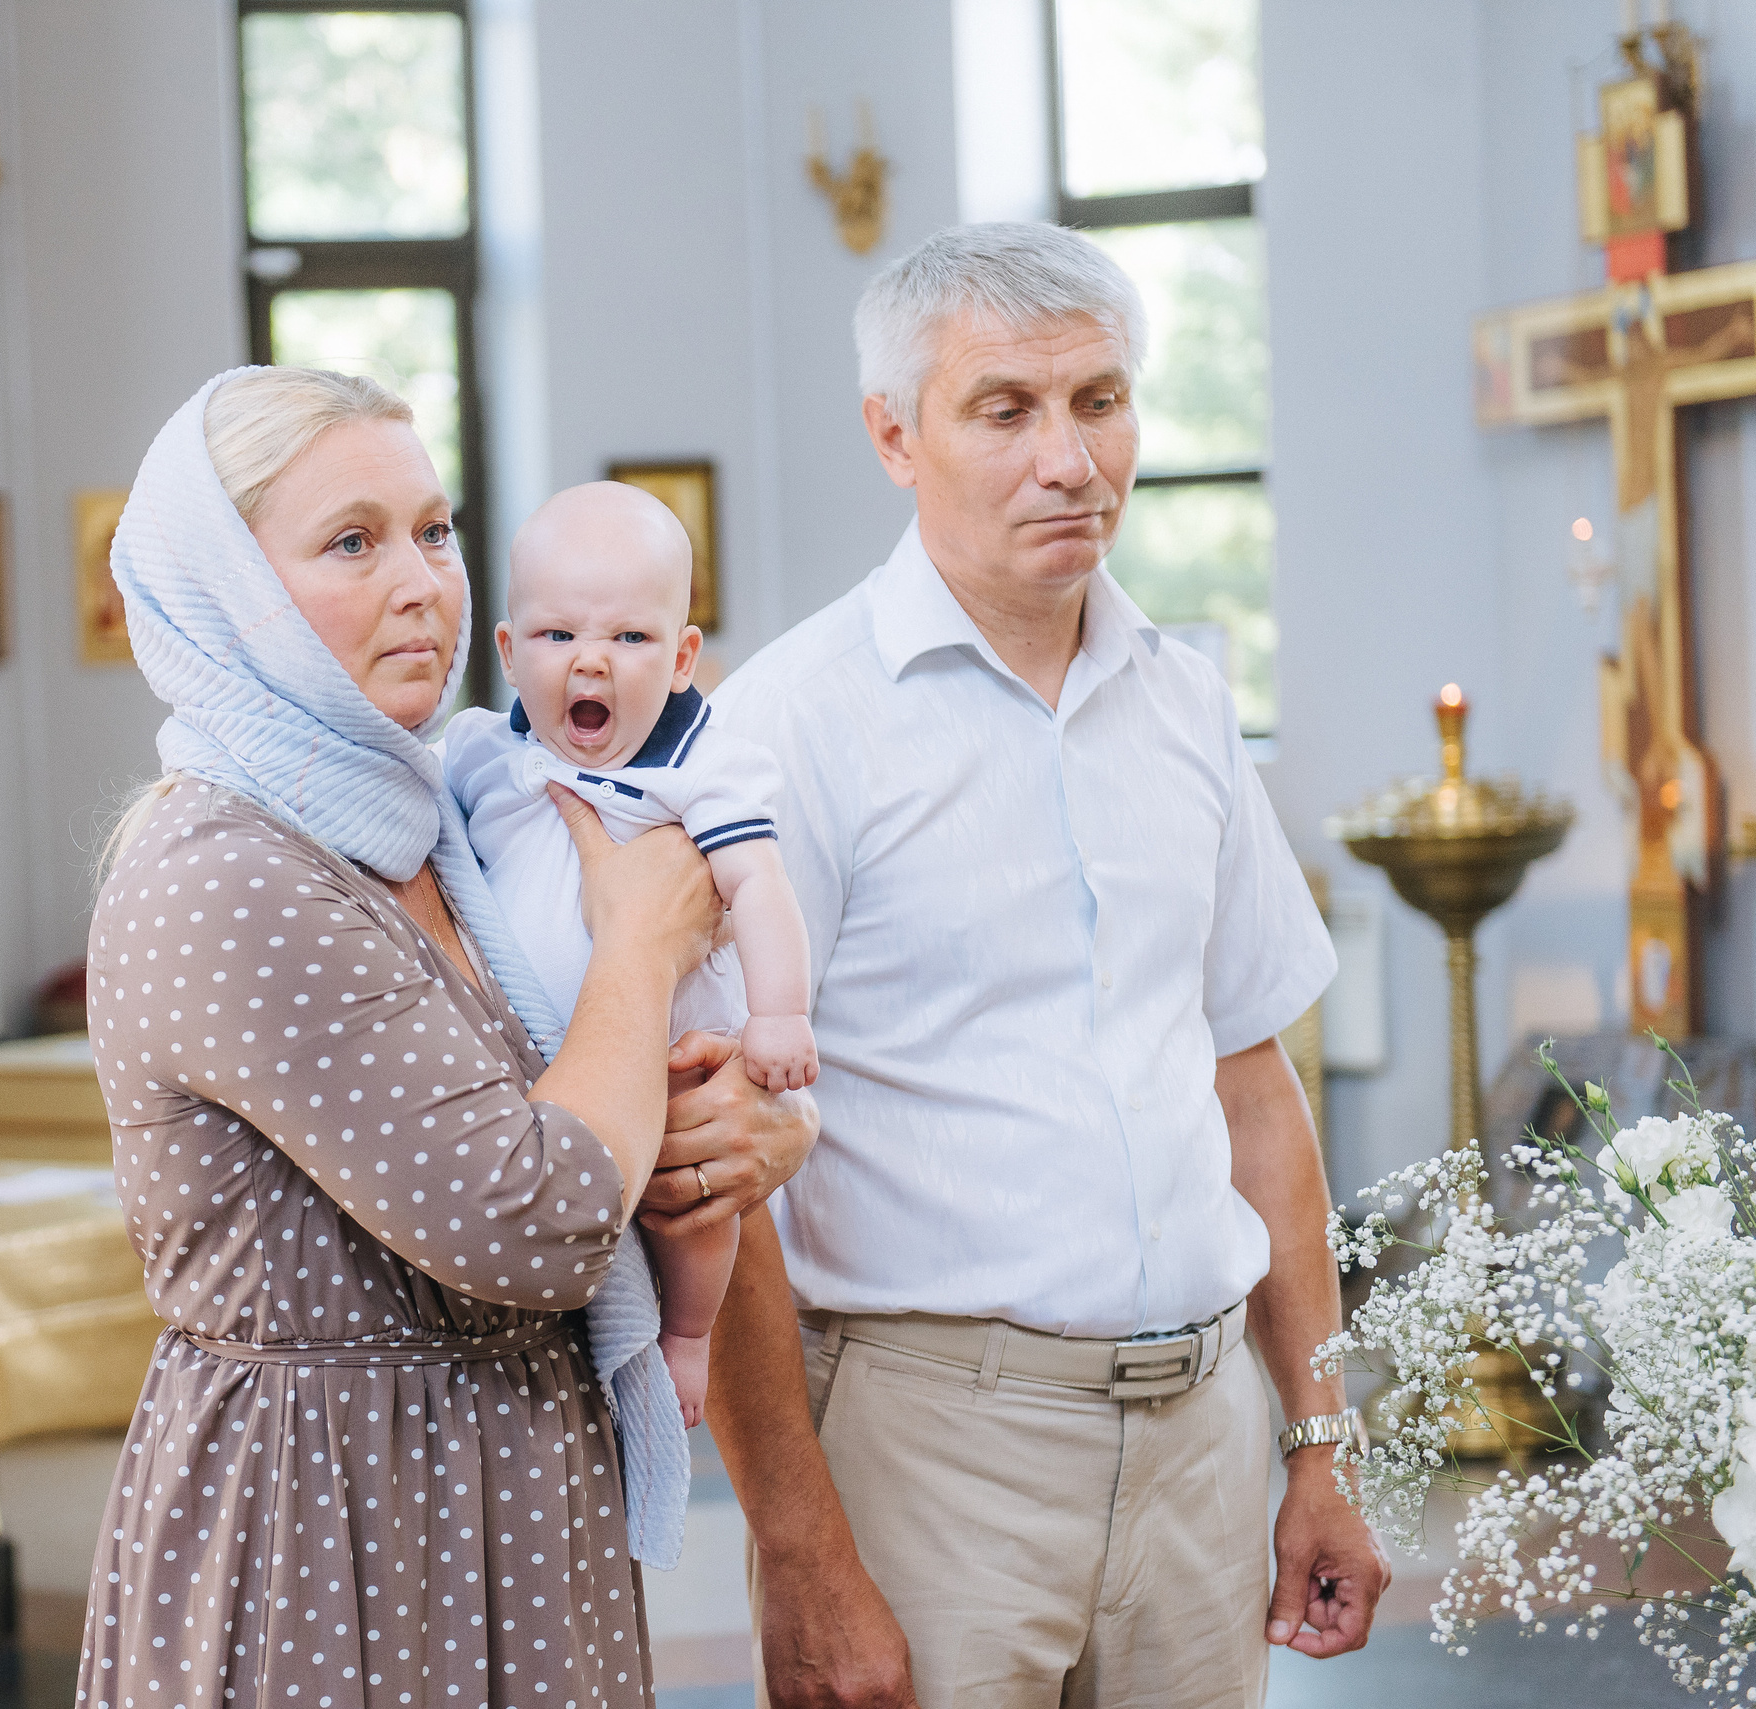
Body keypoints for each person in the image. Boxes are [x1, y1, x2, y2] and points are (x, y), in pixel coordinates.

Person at [705, 222, 1391, 1708]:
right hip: (931, 1449)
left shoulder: (1186, 703)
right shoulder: (790, 726)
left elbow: (1253, 1089)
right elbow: (715, 1178)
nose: (1070, 461)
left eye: (1100, 401)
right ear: (894, 435)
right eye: (1005, 409)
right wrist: (801, 1550)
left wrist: (1319, 1442)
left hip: (1206, 1442)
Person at [79, 365, 818, 1709]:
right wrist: (644, 941)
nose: (423, 582)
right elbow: (541, 1215)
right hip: (333, 1521)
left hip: (516, 1488)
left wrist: (747, 1122)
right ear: (231, 594)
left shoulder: (444, 819)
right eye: (352, 541)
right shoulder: (226, 870)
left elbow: (607, 1095)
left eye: (434, 529)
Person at [445, 481, 817, 1430]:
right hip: (531, 1064)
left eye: (630, 637)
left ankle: (686, 1333)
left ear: (683, 657)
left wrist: (780, 1016)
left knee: (691, 1207)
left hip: (668, 1053)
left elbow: (759, 886)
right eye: (558, 634)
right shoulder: (481, 757)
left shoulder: (699, 768)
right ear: (508, 649)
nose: (592, 660)